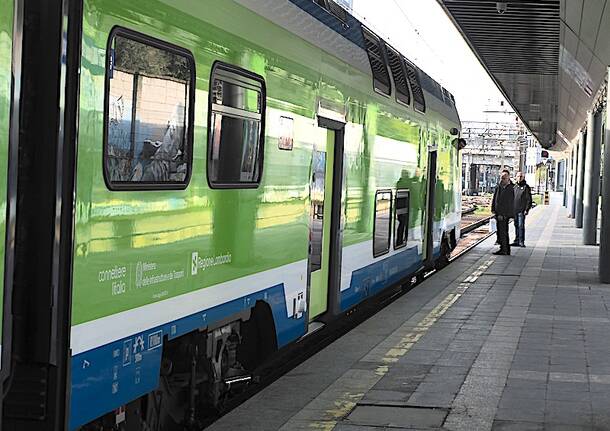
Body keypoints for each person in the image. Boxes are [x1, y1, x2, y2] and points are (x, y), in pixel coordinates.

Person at [491, 170, 514, 255]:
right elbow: (495, 198)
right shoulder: (499, 187)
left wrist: (505, 214)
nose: (502, 179)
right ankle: (503, 248)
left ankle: (505, 249)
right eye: (502, 177)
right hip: (498, 213)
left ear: (508, 178)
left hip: (504, 214)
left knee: (503, 232)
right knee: (500, 232)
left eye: (504, 177)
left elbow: (510, 203)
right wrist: (493, 209)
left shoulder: (511, 188)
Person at [511, 171, 532, 247]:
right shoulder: (514, 186)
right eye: (518, 176)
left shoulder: (526, 187)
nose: (519, 178)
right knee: (516, 225)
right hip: (514, 210)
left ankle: (521, 241)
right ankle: (516, 240)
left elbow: (529, 199)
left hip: (522, 210)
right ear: (516, 177)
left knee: (521, 225)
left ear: (523, 177)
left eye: (521, 176)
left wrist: (527, 209)